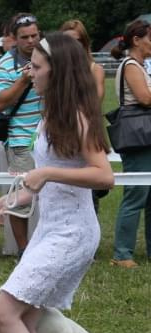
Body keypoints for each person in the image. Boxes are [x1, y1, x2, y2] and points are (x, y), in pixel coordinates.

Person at [0, 33, 114, 333]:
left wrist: (46, 174)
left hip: (73, 233)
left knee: (5, 314)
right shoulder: (47, 115)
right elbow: (45, 184)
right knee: (22, 320)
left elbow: (102, 176)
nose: (31, 72)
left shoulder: (77, 114)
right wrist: (13, 201)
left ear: (57, 70)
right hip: (49, 230)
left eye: (37, 67)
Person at [0, 13, 42, 259]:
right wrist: (23, 80)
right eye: (25, 37)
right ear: (15, 38)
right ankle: (23, 250)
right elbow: (0, 103)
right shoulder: (5, 64)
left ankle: (48, 246)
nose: (31, 41)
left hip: (52, 138)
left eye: (35, 35)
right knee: (21, 200)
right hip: (22, 141)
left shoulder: (50, 57)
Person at [109, 20, 151, 269]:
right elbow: (145, 98)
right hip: (138, 137)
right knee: (135, 194)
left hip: (144, 135)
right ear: (137, 40)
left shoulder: (141, 65)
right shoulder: (131, 64)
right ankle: (122, 254)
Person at [61, 19, 109, 213]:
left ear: (84, 43)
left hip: (86, 137)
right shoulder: (56, 70)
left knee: (89, 196)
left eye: (77, 41)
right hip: (62, 137)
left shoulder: (94, 70)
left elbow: (93, 105)